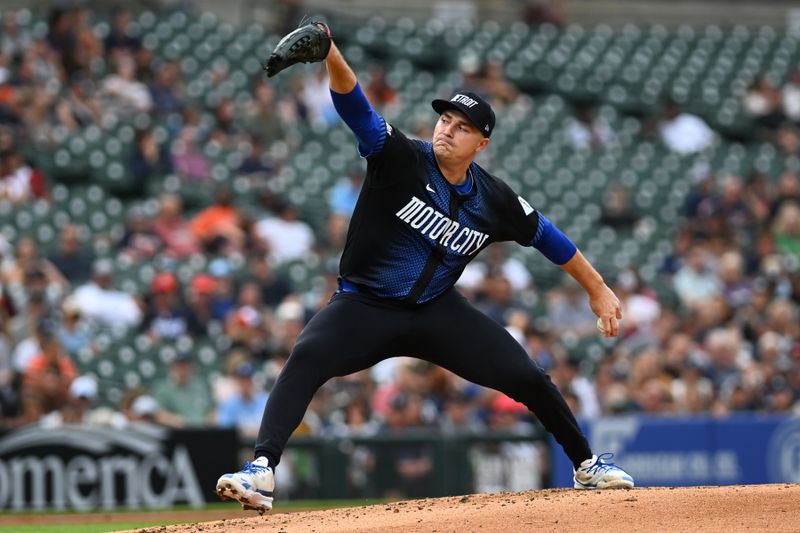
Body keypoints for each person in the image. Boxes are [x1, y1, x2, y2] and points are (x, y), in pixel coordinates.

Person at [217, 24, 634, 513]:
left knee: (527, 375)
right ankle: (262, 470)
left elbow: (548, 237)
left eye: (461, 126)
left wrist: (598, 288)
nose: (447, 129)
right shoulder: (401, 159)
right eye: (445, 119)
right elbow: (358, 109)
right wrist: (332, 54)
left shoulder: (493, 198)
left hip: (436, 312)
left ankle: (586, 465)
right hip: (365, 305)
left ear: (482, 143)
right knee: (306, 356)